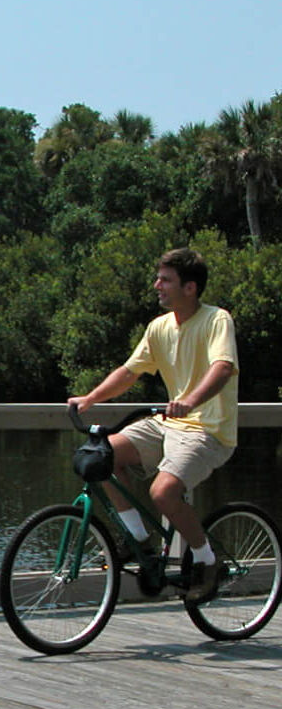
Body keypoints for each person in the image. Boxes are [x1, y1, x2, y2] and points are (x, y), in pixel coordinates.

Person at [68, 246, 238, 602]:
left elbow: (222, 368)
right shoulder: (159, 327)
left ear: (189, 288)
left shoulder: (215, 320)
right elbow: (130, 372)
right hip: (168, 424)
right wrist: (90, 399)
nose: (157, 285)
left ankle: (208, 563)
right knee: (101, 457)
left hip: (208, 430)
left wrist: (191, 401)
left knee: (162, 493)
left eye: (165, 280)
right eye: (158, 278)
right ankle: (138, 541)